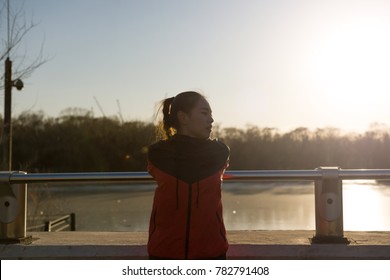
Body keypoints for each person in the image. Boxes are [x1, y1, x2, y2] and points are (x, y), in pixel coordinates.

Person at [147, 91, 230, 260]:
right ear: (183, 118)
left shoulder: (220, 152)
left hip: (211, 254)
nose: (211, 120)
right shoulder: (157, 154)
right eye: (204, 113)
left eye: (211, 114)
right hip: (164, 254)